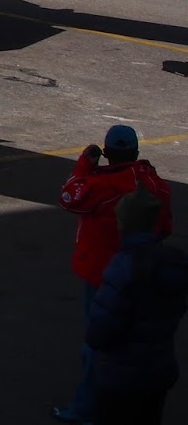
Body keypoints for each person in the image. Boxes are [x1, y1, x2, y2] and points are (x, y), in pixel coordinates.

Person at [53, 125, 173, 423]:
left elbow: (69, 197)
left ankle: (85, 411)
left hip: (101, 274)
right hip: (147, 292)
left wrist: (84, 165)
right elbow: (166, 227)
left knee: (98, 347)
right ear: (135, 152)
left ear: (107, 153)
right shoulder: (154, 184)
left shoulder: (101, 186)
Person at [87, 188, 187, 425]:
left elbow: (101, 329)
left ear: (125, 223)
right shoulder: (174, 261)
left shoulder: (123, 266)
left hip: (120, 375)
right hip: (159, 370)